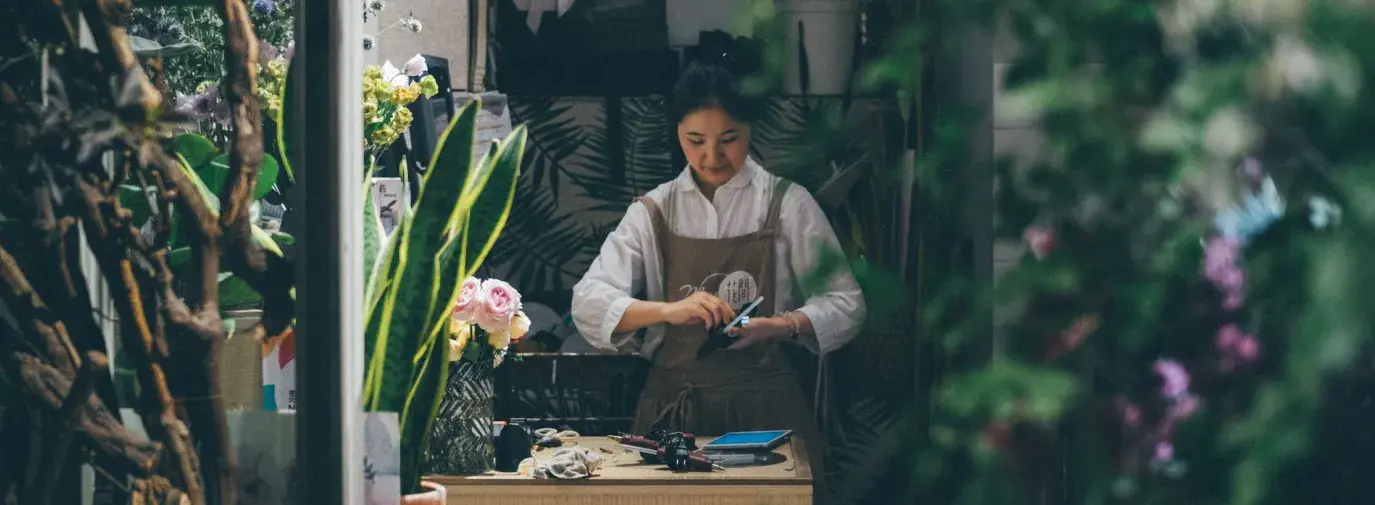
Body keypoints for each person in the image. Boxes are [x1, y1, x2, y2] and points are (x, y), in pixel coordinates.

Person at [570, 59, 866, 489]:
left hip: (768, 415)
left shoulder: (787, 204)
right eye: (696, 141)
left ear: (749, 131)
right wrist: (669, 311)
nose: (712, 156)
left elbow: (847, 303)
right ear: (677, 135)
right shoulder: (653, 211)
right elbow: (588, 300)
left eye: (729, 139)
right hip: (672, 416)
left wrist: (780, 325)